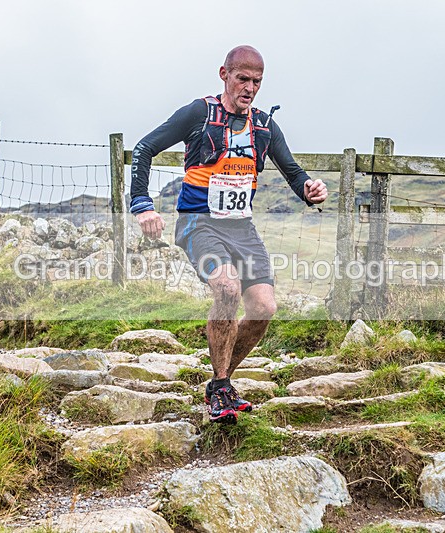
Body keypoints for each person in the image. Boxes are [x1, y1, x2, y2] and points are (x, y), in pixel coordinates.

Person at [129, 45, 328, 424]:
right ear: (224, 75)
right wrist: (142, 204)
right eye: (243, 79)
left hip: (241, 227)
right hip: (199, 222)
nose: (249, 88)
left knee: (264, 308)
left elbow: (293, 172)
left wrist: (309, 189)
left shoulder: (265, 126)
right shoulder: (199, 113)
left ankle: (220, 382)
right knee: (226, 288)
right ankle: (221, 385)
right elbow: (144, 148)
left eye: (257, 82)